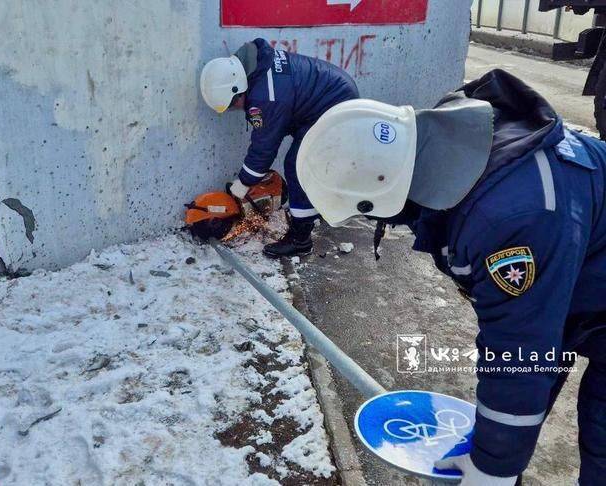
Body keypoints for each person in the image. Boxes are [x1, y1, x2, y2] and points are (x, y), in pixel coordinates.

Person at [296, 69, 606, 485]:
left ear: (383, 190)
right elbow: (530, 349)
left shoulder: (508, 219)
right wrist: (495, 444)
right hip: (579, 284)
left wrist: (493, 468)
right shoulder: (447, 145)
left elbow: (520, 347)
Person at [200, 38, 359, 257]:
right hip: (327, 98)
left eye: (232, 105)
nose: (235, 110)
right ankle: (319, 207)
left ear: (238, 89)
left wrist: (244, 183)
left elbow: (264, 148)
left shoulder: (266, 96)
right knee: (308, 161)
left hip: (335, 105)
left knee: (298, 164)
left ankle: (300, 239)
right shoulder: (252, 69)